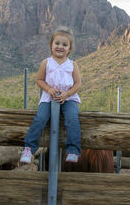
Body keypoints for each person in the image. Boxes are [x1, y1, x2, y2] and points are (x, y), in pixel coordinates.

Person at [20, 26, 82, 164]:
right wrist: (48, 89)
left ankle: (73, 150)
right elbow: (39, 80)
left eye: (65, 45)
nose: (60, 47)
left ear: (70, 49)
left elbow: (78, 83)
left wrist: (67, 94)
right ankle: (29, 149)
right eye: (57, 43)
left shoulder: (73, 65)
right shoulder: (46, 63)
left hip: (69, 97)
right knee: (40, 118)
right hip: (49, 97)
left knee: (72, 118)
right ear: (51, 45)